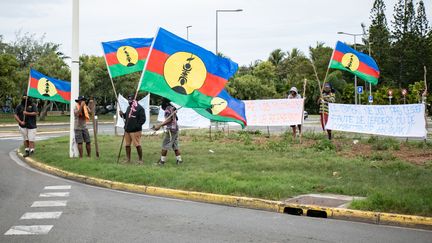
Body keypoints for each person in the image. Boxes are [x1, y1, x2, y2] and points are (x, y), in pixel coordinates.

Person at [153, 98, 182, 165]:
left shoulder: (167, 109)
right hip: (175, 129)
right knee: (175, 146)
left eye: (161, 102)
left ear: (164, 103)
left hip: (171, 130)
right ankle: (179, 160)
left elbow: (169, 120)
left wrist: (160, 125)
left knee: (165, 145)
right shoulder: (172, 108)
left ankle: (162, 162)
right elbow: (175, 118)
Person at [120, 95, 145, 164]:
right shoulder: (129, 107)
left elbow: (143, 120)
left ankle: (140, 160)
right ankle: (128, 159)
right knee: (127, 145)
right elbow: (126, 117)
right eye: (129, 100)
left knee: (137, 145)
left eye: (131, 100)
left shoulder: (140, 108)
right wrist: (122, 114)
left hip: (135, 131)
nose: (129, 101)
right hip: (127, 129)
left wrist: (135, 126)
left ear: (135, 100)